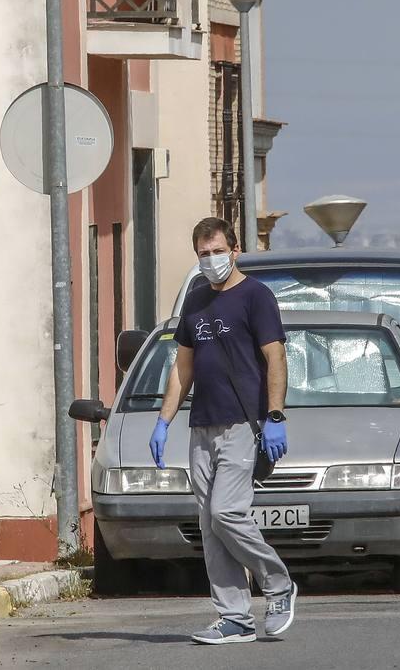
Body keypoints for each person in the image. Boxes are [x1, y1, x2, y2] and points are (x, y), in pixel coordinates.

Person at [151, 217, 297, 643]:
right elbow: (183, 367)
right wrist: (163, 422)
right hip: (202, 425)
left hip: (242, 423)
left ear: (234, 250)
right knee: (211, 526)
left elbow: (276, 359)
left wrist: (274, 417)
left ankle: (279, 584)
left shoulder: (256, 296)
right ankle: (235, 618)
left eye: (217, 251)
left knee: (226, 512)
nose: (210, 260)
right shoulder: (195, 301)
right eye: (202, 254)